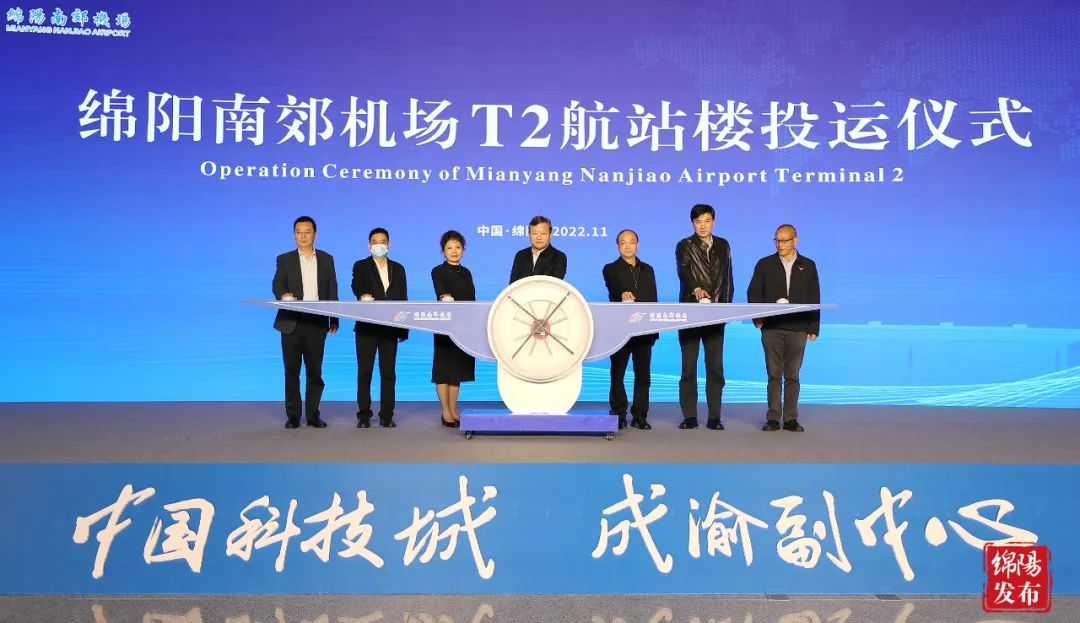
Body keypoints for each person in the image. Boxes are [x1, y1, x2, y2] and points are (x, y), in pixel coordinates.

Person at [747, 224, 820, 432]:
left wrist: (813, 326)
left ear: (795, 240)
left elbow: (814, 295)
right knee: (773, 375)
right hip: (772, 327)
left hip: (798, 327)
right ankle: (772, 418)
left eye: (784, 240)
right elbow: (753, 293)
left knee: (792, 375)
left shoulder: (808, 265)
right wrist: (757, 317)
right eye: (777, 240)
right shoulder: (764, 264)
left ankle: (790, 419)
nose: (780, 244)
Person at [272, 216, 339, 429]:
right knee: (291, 370)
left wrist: (334, 318)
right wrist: (283, 294)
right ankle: (293, 416)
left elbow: (332, 289)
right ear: (294, 235)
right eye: (298, 232)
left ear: (315, 235)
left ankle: (312, 415)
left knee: (315, 371)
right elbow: (277, 282)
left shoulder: (326, 259)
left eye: (307, 231)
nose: (303, 236)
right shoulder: (285, 259)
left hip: (316, 323)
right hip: (291, 322)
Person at [675, 204, 733, 430]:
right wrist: (696, 288)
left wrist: (725, 309)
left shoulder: (723, 245)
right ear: (693, 223)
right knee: (688, 368)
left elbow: (727, 279)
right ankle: (689, 416)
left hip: (716, 314)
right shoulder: (685, 245)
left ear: (713, 222)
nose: (702, 226)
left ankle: (714, 417)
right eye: (698, 221)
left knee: (715, 368)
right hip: (690, 313)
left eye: (707, 221)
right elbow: (684, 271)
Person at [602, 229, 659, 430]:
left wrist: (654, 329)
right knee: (617, 374)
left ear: (638, 244)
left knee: (643, 376)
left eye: (631, 242)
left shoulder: (648, 270)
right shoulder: (610, 269)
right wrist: (623, 294)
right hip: (620, 330)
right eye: (623, 242)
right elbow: (614, 287)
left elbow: (653, 299)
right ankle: (618, 414)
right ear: (617, 246)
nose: (628, 246)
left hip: (644, 331)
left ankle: (640, 416)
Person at [352, 227, 408, 428]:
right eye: (375, 242)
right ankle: (364, 415)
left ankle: (386, 415)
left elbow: (403, 298)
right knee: (364, 372)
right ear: (369, 245)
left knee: (388, 373)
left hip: (389, 328)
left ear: (389, 245)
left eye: (382, 242)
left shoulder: (398, 268)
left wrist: (403, 328)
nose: (379, 245)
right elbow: (356, 285)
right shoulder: (361, 265)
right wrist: (363, 295)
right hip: (366, 327)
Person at [431, 230, 476, 428]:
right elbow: (441, 292)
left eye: (458, 247)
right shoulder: (438, 271)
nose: (454, 251)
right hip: (445, 325)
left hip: (464, 326)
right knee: (444, 370)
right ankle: (445, 412)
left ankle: (453, 410)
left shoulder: (466, 272)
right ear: (443, 251)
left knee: (457, 371)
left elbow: (471, 298)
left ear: (463, 250)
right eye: (449, 248)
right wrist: (445, 297)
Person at [509, 215, 567, 283]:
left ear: (550, 235)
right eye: (535, 233)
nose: (539, 237)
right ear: (529, 235)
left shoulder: (559, 257)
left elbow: (554, 284)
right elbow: (513, 285)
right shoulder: (521, 255)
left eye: (543, 233)